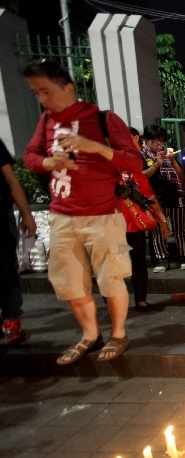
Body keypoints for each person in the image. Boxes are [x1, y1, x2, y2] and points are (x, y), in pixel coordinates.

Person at [23, 58, 142, 363]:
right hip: (62, 215)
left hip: (103, 214)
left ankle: (118, 334)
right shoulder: (46, 121)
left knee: (110, 277)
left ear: (68, 87)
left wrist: (94, 147)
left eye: (46, 92)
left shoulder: (102, 119)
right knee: (69, 281)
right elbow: (30, 157)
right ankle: (90, 334)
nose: (42, 99)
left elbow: (135, 162)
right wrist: (49, 163)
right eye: (36, 93)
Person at [124, 127, 169, 312]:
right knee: (112, 266)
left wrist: (163, 220)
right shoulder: (107, 165)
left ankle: (141, 299)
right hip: (112, 224)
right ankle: (113, 303)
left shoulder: (136, 168)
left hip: (135, 224)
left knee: (139, 261)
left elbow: (149, 195)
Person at [141, 124, 185, 273]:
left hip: (176, 197)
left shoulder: (168, 156)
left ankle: (184, 257)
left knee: (180, 230)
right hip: (156, 200)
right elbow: (142, 176)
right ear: (147, 141)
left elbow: (183, 176)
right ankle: (162, 259)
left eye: (161, 142)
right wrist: (157, 163)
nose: (158, 145)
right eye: (155, 142)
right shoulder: (143, 156)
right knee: (158, 232)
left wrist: (174, 161)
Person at [0, 138, 36, 343]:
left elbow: (11, 181)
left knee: (6, 268)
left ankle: (12, 320)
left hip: (0, 216)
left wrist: (27, 215)